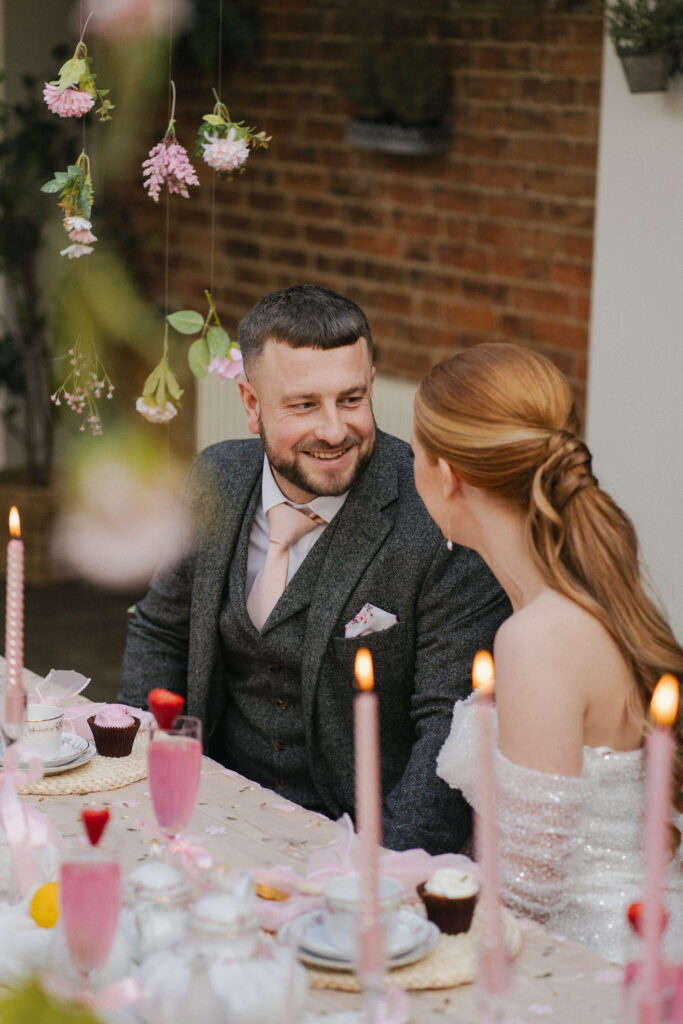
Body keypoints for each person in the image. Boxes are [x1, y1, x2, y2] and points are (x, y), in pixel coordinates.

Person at [119, 285, 510, 854]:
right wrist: (143, 779)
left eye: (351, 399)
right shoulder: (216, 479)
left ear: (372, 384)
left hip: (359, 848)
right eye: (304, 406)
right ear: (251, 404)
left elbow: (450, 730)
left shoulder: (441, 521)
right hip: (208, 815)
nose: (333, 431)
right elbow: (162, 630)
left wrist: (381, 878)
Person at [412, 341, 683, 962]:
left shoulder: (538, 638)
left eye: (417, 454)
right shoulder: (580, 592)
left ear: (448, 475)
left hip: (583, 963)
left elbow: (528, 890)